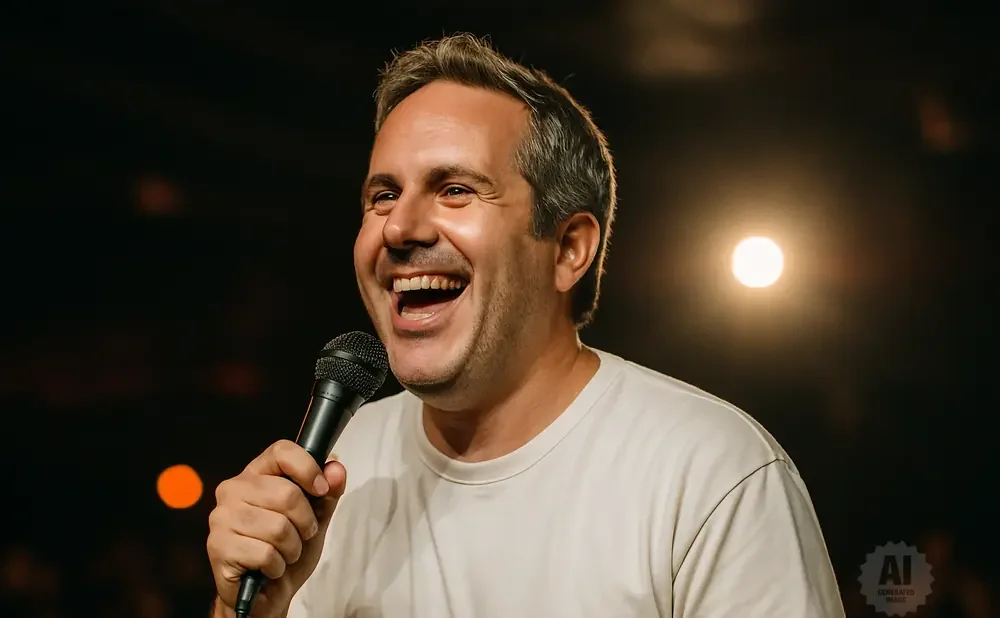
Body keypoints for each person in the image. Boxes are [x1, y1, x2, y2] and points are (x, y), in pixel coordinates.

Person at [206, 34, 846, 617]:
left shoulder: (711, 473)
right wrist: (247, 609)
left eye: (455, 189)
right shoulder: (343, 464)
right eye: (383, 195)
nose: (398, 228)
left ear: (568, 249)